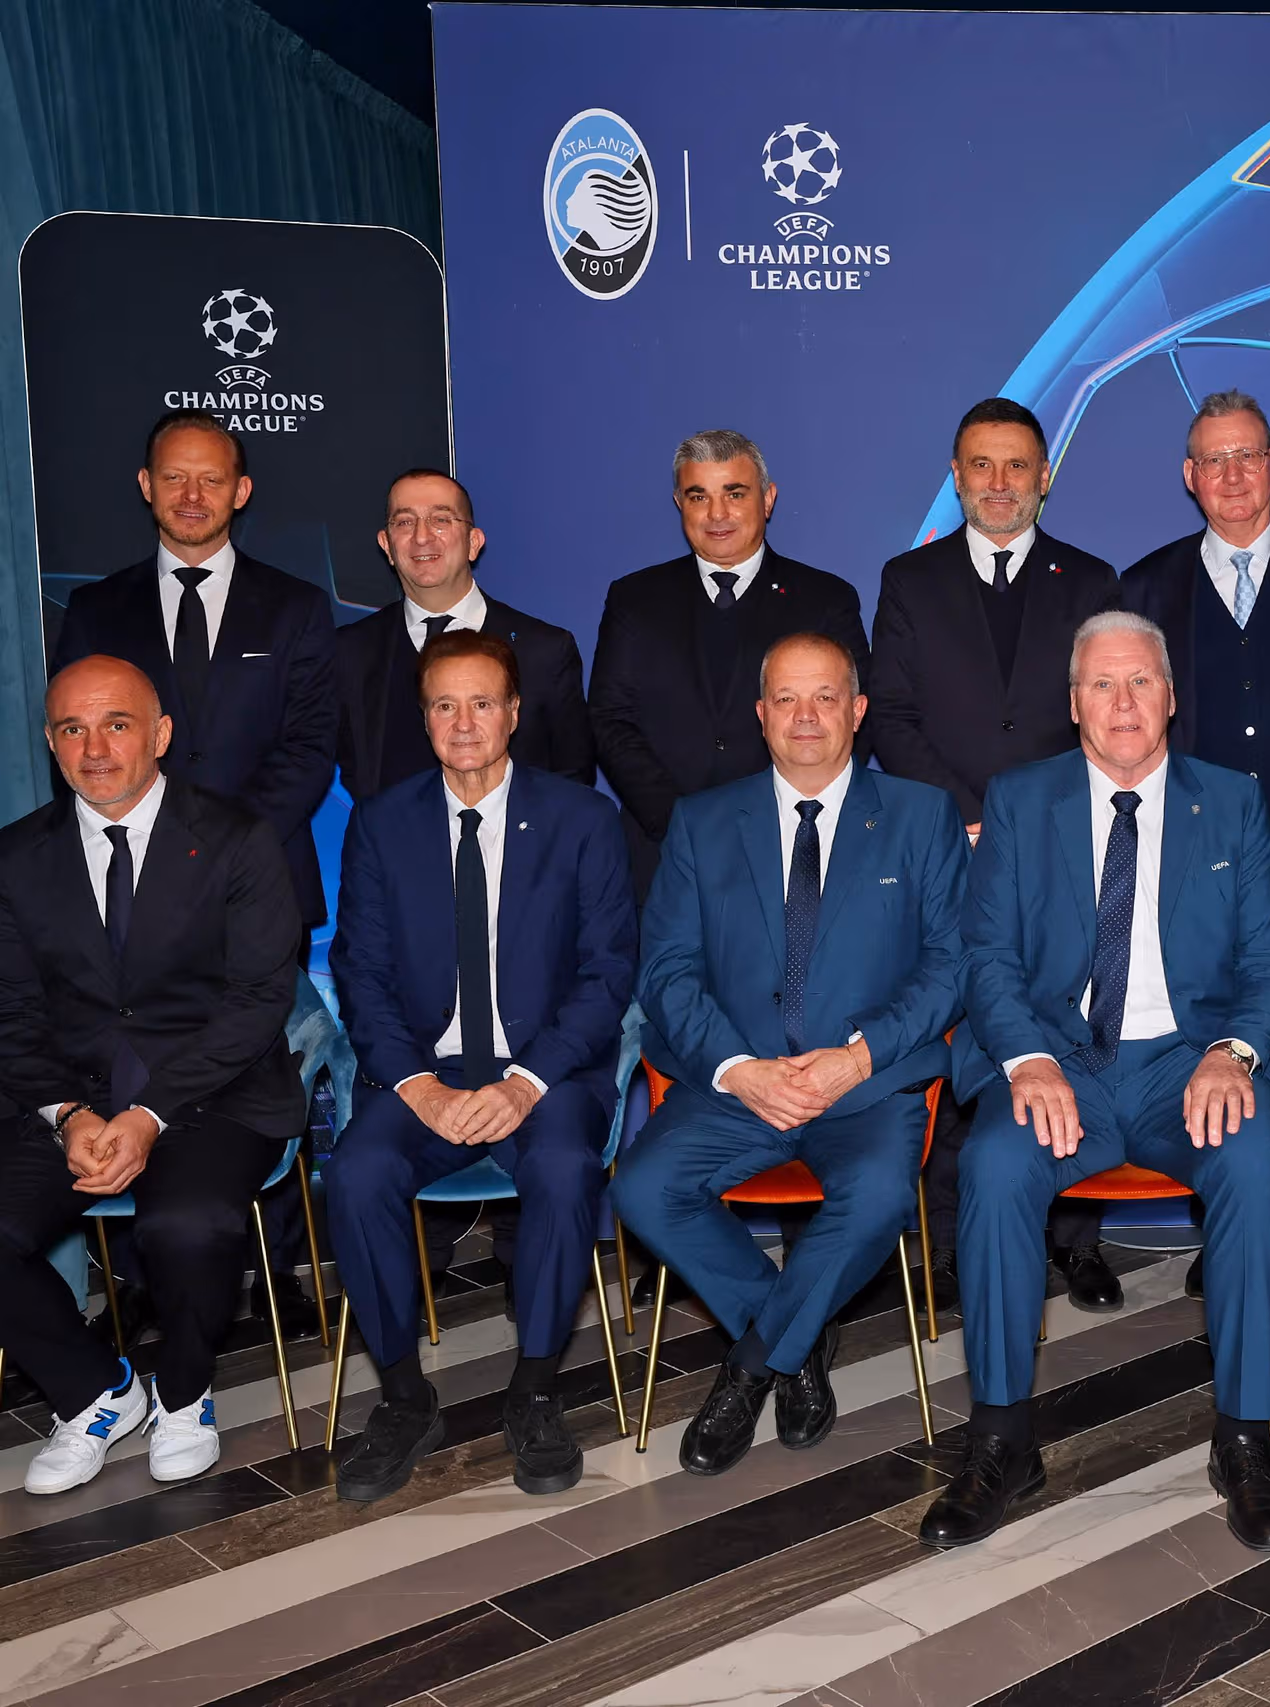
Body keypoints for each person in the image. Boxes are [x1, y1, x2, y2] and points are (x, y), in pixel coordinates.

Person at [920, 611, 1270, 1552]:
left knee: (1257, 1157)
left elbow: (1269, 958)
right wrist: (1028, 1057)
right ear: (1073, 703)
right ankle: (1001, 1438)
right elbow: (987, 956)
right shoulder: (1018, 800)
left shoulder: (1231, 801)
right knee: (995, 1168)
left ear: (1170, 695)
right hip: (1059, 1062)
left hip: (1183, 1063)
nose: (1123, 703)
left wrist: (1235, 1051)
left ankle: (1245, 1435)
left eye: (1141, 683)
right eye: (1102, 686)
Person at [612, 633, 967, 1477]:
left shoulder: (921, 814)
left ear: (858, 710)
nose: (806, 717)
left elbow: (953, 963)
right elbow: (667, 969)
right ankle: (797, 1341)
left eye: (826, 697)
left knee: (881, 1190)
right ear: (762, 713)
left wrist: (859, 1055)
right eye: (787, 699)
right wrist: (739, 1069)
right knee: (643, 1187)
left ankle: (751, 1364)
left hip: (867, 1085)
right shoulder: (703, 821)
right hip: (737, 1085)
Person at [326, 631, 636, 1503]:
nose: (463, 723)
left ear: (514, 713)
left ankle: (534, 1392)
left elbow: (609, 971)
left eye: (481, 703)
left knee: (567, 1166)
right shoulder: (384, 823)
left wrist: (524, 1082)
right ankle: (402, 1397)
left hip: (542, 1072)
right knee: (356, 1175)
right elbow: (363, 972)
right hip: (422, 1073)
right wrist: (416, 1086)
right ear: (423, 718)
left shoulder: (582, 819)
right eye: (442, 705)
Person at [51, 408, 335, 1340]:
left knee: (266, 1060)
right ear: (146, 486)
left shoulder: (293, 606)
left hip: (261, 882)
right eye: (174, 477)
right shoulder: (98, 610)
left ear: (241, 491)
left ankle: (282, 1262)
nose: (192, 494)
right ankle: (137, 1273)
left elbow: (308, 750)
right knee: (129, 1055)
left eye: (211, 478)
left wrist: (221, 859)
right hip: (124, 891)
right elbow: (89, 755)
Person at [0, 656, 303, 1493]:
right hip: (73, 1096)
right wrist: (68, 1113)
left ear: (161, 734)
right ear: (54, 745)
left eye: (117, 723)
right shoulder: (16, 858)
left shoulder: (237, 837)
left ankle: (184, 1393)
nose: (95, 747)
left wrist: (149, 1112)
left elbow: (257, 1000)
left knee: (188, 1225)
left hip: (214, 1089)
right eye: (72, 728)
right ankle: (95, 1392)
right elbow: (12, 1014)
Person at [871, 397, 1121, 1317]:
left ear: (1045, 477)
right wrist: (971, 817)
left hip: (1063, 850)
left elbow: (1109, 718)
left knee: (1068, 1027)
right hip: (945, 848)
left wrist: (1027, 820)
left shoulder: (1093, 578)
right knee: (952, 1036)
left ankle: (1075, 1241)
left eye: (1019, 466)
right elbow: (888, 715)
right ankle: (943, 1245)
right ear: (957, 474)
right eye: (983, 465)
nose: (1002, 483)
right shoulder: (909, 580)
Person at [1122, 389, 1270, 1300]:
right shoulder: (1145, 589)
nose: (1230, 474)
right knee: (1229, 1043)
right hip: (1201, 878)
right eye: (1212, 460)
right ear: (1189, 478)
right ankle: (1234, 1241)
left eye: (1246, 455)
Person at [589, 429, 871, 902]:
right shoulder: (634, 599)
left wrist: (786, 818)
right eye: (699, 496)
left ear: (768, 499)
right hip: (664, 851)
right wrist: (682, 825)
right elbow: (610, 720)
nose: (716, 514)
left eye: (734, 494)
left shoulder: (825, 599)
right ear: (680, 503)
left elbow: (854, 718)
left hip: (793, 847)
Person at [336, 468, 593, 800]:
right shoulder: (350, 651)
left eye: (441, 520)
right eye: (404, 522)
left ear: (474, 543)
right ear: (386, 545)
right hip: (392, 848)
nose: (422, 536)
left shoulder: (544, 650)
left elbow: (572, 775)